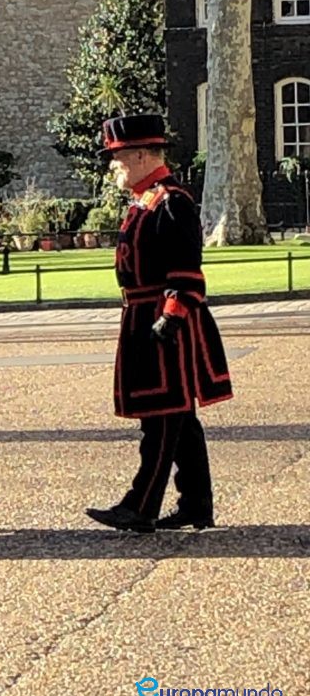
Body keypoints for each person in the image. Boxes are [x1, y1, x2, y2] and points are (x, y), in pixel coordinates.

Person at [86, 114, 233, 534]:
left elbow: (186, 271)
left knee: (163, 417)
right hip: (142, 317)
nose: (112, 165)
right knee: (179, 419)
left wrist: (170, 318)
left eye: (117, 157)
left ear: (141, 155)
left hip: (166, 325)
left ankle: (141, 505)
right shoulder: (145, 200)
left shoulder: (171, 201)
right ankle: (196, 504)